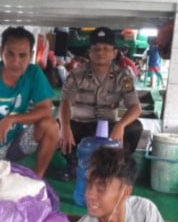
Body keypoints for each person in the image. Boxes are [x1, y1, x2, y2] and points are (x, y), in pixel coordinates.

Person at [0, 27, 59, 177]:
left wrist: (11, 119)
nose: (16, 61)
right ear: (1, 51)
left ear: (31, 55)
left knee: (51, 126)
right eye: (10, 54)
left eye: (22, 55)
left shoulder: (33, 73)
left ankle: (37, 178)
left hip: (16, 143)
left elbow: (46, 110)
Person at [58, 27, 143, 180]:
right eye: (96, 49)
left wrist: (121, 125)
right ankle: (73, 163)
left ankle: (116, 164)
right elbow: (65, 102)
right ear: (89, 52)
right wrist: (64, 126)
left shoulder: (124, 77)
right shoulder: (76, 75)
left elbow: (136, 107)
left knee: (135, 127)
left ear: (114, 52)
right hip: (81, 124)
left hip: (108, 127)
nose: (100, 52)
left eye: (106, 48)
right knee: (58, 126)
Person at [74, 147, 175, 222]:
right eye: (88, 184)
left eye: (101, 188)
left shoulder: (145, 213)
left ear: (126, 192)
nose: (89, 194)